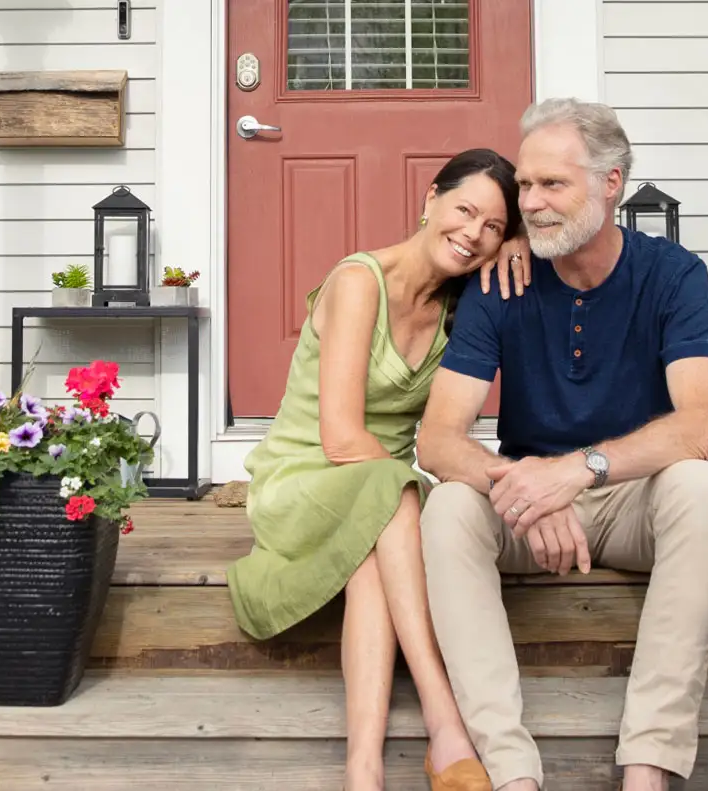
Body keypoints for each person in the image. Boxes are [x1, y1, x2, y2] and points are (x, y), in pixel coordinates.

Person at [415, 98, 708, 791]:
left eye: (552, 185)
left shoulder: (673, 274)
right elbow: (438, 439)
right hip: (528, 505)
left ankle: (647, 764)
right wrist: (523, 482)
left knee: (701, 489)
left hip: (628, 498)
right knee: (445, 510)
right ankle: (510, 771)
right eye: (524, 185)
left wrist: (578, 471)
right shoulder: (501, 281)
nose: (531, 203)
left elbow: (702, 425)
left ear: (610, 183)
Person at [226, 148, 533, 791]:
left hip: (378, 493)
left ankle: (362, 771)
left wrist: (520, 249)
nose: (472, 234)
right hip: (305, 477)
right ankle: (444, 721)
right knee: (393, 498)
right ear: (430, 199)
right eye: (464, 210)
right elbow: (340, 438)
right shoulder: (359, 279)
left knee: (376, 542)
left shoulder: (464, 306)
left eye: (493, 228)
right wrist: (413, 491)